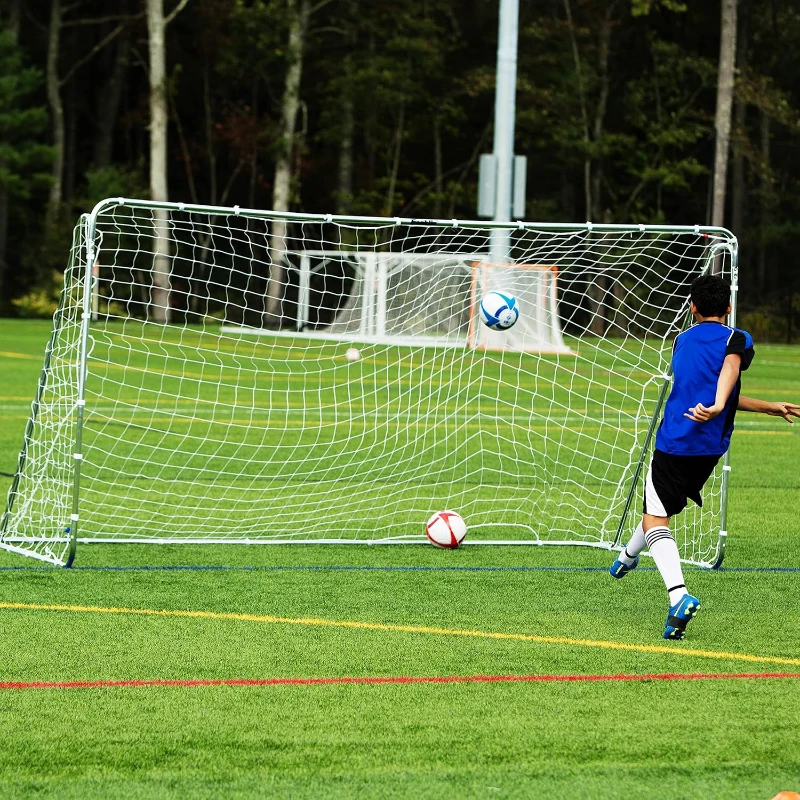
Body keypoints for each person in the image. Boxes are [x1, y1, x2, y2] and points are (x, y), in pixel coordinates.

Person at [609, 274, 800, 640]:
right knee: (659, 509)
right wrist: (768, 407)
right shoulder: (738, 336)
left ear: (692, 307)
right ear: (728, 308)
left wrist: (714, 405)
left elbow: (727, 372)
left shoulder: (681, 340)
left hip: (674, 443)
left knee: (655, 519)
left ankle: (678, 596)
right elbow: (725, 385)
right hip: (709, 450)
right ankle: (626, 559)